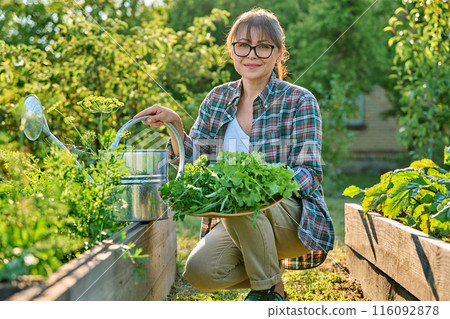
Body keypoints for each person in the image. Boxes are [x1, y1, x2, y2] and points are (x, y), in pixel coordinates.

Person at [134, 8, 334, 301]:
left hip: (292, 218)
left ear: (279, 53)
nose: (251, 54)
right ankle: (269, 276)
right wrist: (175, 126)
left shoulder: (299, 100)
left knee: (243, 198)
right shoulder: (217, 99)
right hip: (238, 219)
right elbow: (195, 164)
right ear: (232, 51)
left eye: (263, 46)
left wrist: (262, 186)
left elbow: (309, 173)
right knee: (201, 271)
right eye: (243, 45)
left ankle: (265, 292)